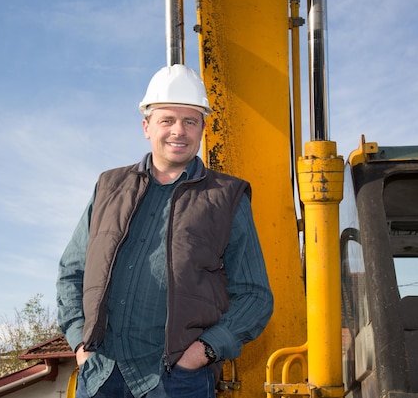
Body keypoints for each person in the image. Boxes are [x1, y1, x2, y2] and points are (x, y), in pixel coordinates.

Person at [56, 64, 273, 398]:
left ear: (202, 128)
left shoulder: (227, 197)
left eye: (190, 121)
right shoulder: (108, 187)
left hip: (176, 381)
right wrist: (79, 342)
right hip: (101, 376)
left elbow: (255, 296)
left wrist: (202, 353)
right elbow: (73, 271)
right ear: (147, 126)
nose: (179, 131)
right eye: (167, 120)